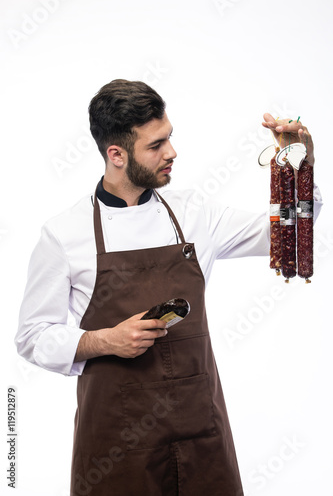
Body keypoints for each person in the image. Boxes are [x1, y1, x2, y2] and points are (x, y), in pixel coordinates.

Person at [16, 79, 322, 496]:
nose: (172, 153)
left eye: (170, 138)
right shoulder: (63, 235)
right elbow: (33, 337)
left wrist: (299, 163)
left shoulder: (195, 213)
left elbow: (285, 236)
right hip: (116, 445)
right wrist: (105, 340)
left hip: (201, 432)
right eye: (156, 145)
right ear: (116, 154)